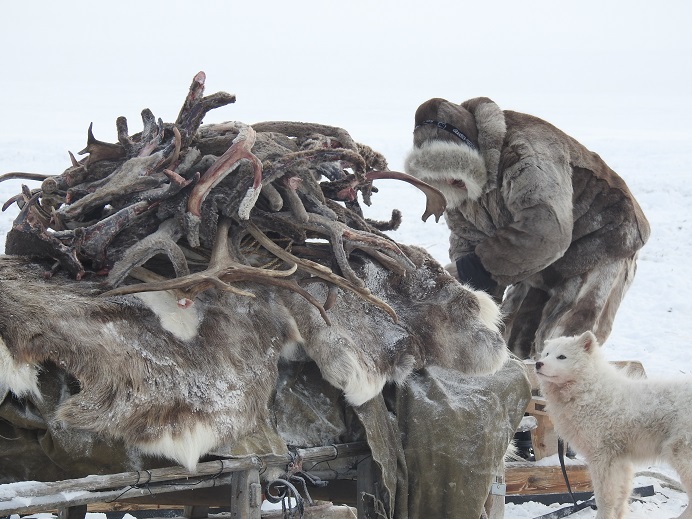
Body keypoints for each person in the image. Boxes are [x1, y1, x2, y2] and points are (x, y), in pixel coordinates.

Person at [404, 97, 650, 358]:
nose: (449, 179)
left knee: (561, 351)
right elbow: (467, 238)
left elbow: (547, 231)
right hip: (531, 253)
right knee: (512, 347)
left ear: (471, 153)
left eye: (453, 167)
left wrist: (481, 268)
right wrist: (471, 295)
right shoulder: (452, 185)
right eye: (438, 172)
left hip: (603, 236)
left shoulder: (527, 151)